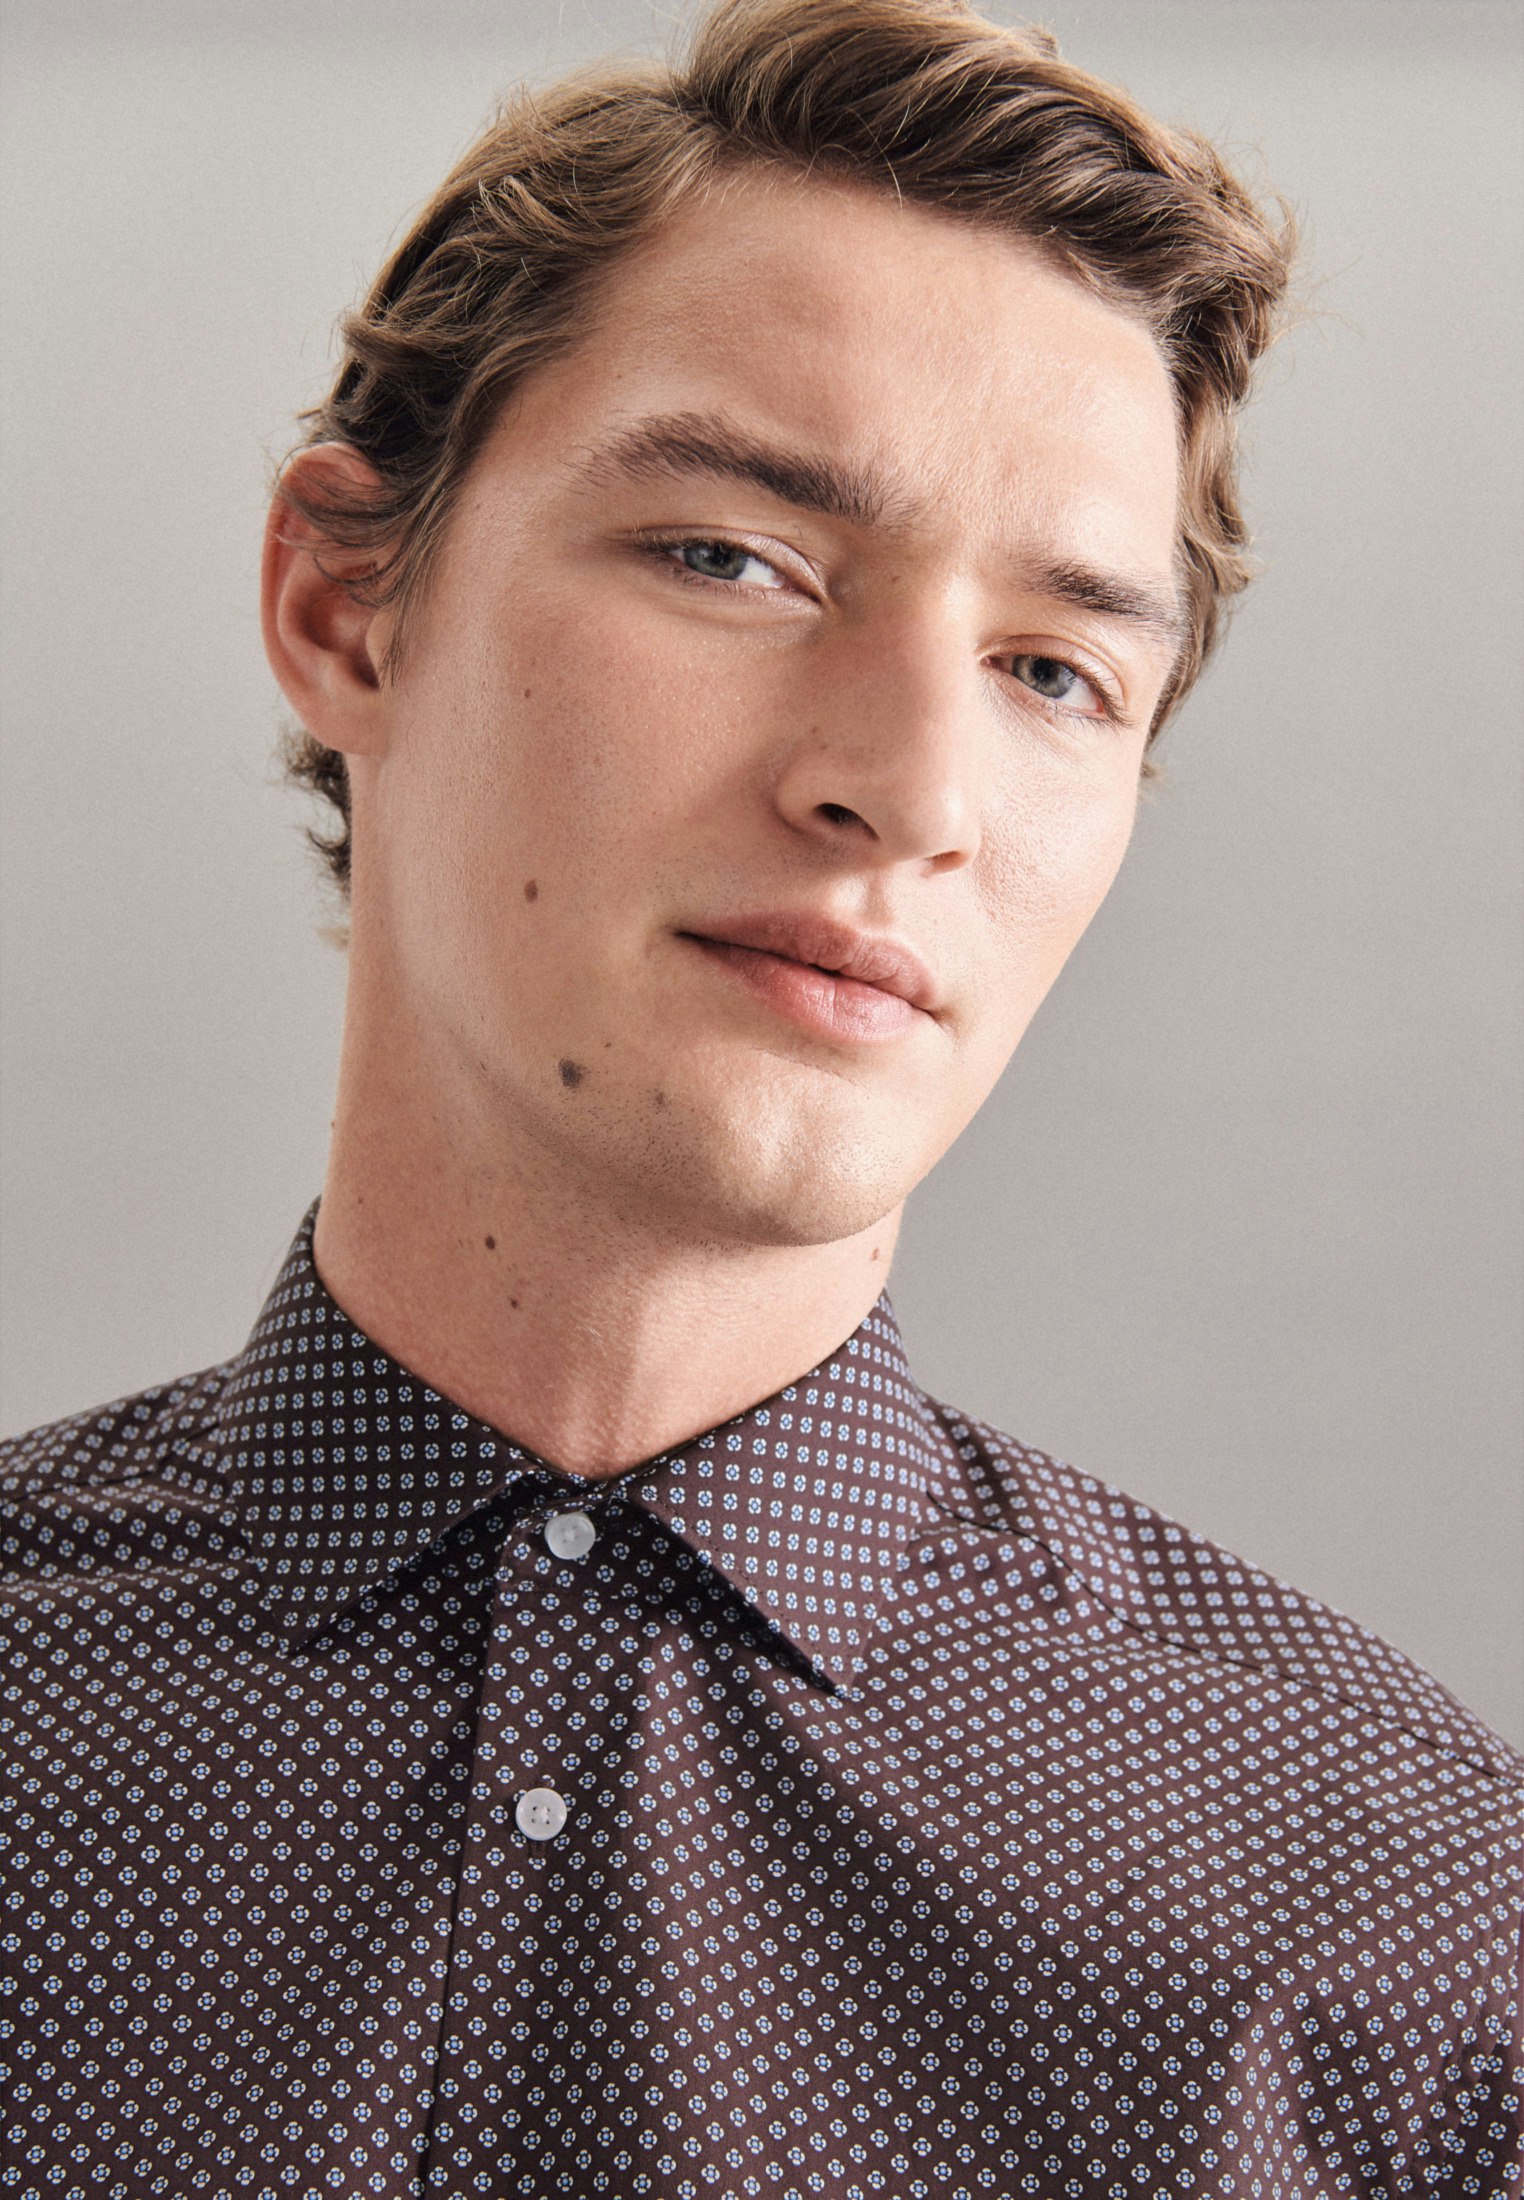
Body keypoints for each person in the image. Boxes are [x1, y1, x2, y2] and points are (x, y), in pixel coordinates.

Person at [3, 0, 1519, 2193]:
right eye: (734, 557)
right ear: (344, 608)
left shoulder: (1415, 1932)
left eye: (1053, 670)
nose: (907, 789)